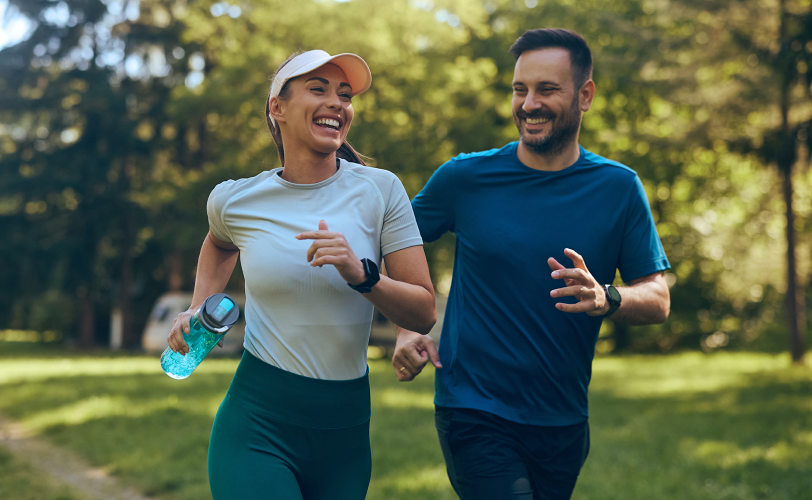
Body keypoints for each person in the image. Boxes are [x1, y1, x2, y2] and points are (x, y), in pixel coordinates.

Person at [392, 29, 671, 500]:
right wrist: (408, 323)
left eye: (546, 89)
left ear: (585, 95)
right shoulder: (465, 178)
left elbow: (658, 297)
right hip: (473, 408)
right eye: (520, 90)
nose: (528, 103)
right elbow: (395, 241)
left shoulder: (619, 188)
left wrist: (607, 297)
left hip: (562, 419)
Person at [167, 50, 436, 500]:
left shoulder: (381, 190)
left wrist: (362, 274)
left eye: (345, 95)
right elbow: (218, 242)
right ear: (278, 108)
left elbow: (424, 310)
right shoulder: (236, 200)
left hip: (345, 434)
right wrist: (198, 305)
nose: (337, 103)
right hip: (257, 425)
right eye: (319, 89)